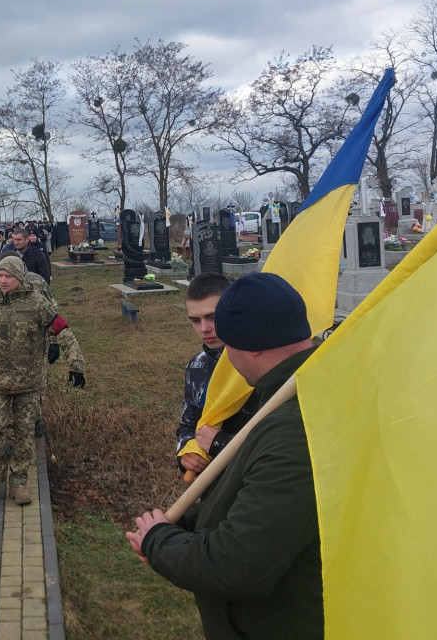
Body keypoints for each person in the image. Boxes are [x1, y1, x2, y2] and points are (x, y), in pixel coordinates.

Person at [126, 272, 322, 639]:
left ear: (252, 346)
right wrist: (184, 525)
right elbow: (251, 491)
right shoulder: (289, 399)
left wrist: (159, 544)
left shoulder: (293, 428)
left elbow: (237, 566)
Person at [0, 256, 86, 506]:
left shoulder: (38, 303)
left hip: (28, 382)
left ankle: (19, 482)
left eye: (8, 276)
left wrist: (76, 363)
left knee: (24, 435)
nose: (3, 280)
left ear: (19, 278)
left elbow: (63, 330)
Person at [176, 273, 257, 476]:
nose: (204, 329)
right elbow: (187, 425)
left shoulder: (257, 367)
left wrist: (220, 443)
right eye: (195, 320)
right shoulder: (196, 366)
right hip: (210, 487)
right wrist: (186, 452)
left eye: (212, 317)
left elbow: (272, 444)